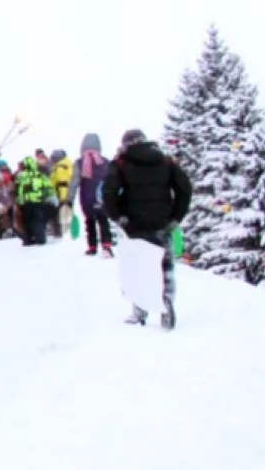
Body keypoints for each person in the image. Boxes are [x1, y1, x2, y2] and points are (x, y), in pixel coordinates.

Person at [102, 128, 193, 328]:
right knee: (165, 267)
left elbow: (108, 192)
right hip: (162, 223)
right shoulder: (165, 161)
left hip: (133, 227)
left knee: (138, 269)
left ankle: (139, 311)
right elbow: (184, 190)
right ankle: (167, 305)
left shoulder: (120, 163)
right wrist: (176, 217)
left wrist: (118, 217)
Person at [71, 133, 115, 257]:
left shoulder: (79, 163)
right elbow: (112, 180)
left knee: (90, 222)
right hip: (101, 197)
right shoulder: (105, 161)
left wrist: (69, 199)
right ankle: (106, 246)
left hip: (86, 198)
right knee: (103, 221)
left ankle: (92, 247)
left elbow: (74, 182)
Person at [14, 157, 53, 246]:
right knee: (37, 220)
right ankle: (40, 239)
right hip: (38, 202)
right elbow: (49, 188)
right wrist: (46, 196)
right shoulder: (40, 175)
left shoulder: (20, 177)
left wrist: (18, 201)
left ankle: (28, 239)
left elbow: (16, 190)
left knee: (26, 221)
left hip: (24, 203)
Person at [48, 149, 74, 238]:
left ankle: (62, 232)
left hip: (62, 193)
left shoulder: (60, 166)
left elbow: (60, 181)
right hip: (68, 193)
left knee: (61, 213)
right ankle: (69, 231)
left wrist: (61, 196)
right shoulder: (68, 164)